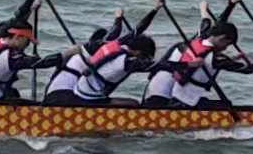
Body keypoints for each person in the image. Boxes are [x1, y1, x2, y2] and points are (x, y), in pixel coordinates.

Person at [43, 1, 164, 105]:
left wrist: (119, 18)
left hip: (67, 90)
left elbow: (126, 30)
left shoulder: (107, 46)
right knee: (132, 104)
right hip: (75, 97)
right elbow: (125, 31)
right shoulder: (110, 53)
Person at [142, 0, 240, 106]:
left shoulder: (194, 45)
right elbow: (215, 28)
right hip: (161, 95)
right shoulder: (194, 47)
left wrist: (230, 5)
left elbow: (216, 27)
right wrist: (230, 6)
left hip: (158, 92)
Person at [168, 22, 253, 108]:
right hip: (187, 103)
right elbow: (246, 69)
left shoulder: (198, 42)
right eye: (227, 44)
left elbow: (211, 61)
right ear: (222, 38)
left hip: (177, 97)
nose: (225, 48)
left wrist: (233, 57)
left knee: (219, 103)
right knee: (226, 105)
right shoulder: (214, 57)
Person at [0, 19, 78, 102]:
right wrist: (67, 54)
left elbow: (18, 17)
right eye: (27, 41)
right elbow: (41, 63)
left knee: (14, 93)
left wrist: (32, 0)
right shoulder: (10, 57)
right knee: (36, 107)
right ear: (18, 38)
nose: (27, 45)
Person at [72, 33, 200, 105]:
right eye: (146, 57)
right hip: (90, 96)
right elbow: (162, 65)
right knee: (133, 104)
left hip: (82, 88)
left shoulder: (120, 49)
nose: (145, 60)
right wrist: (189, 64)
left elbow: (137, 30)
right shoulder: (127, 63)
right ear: (139, 52)